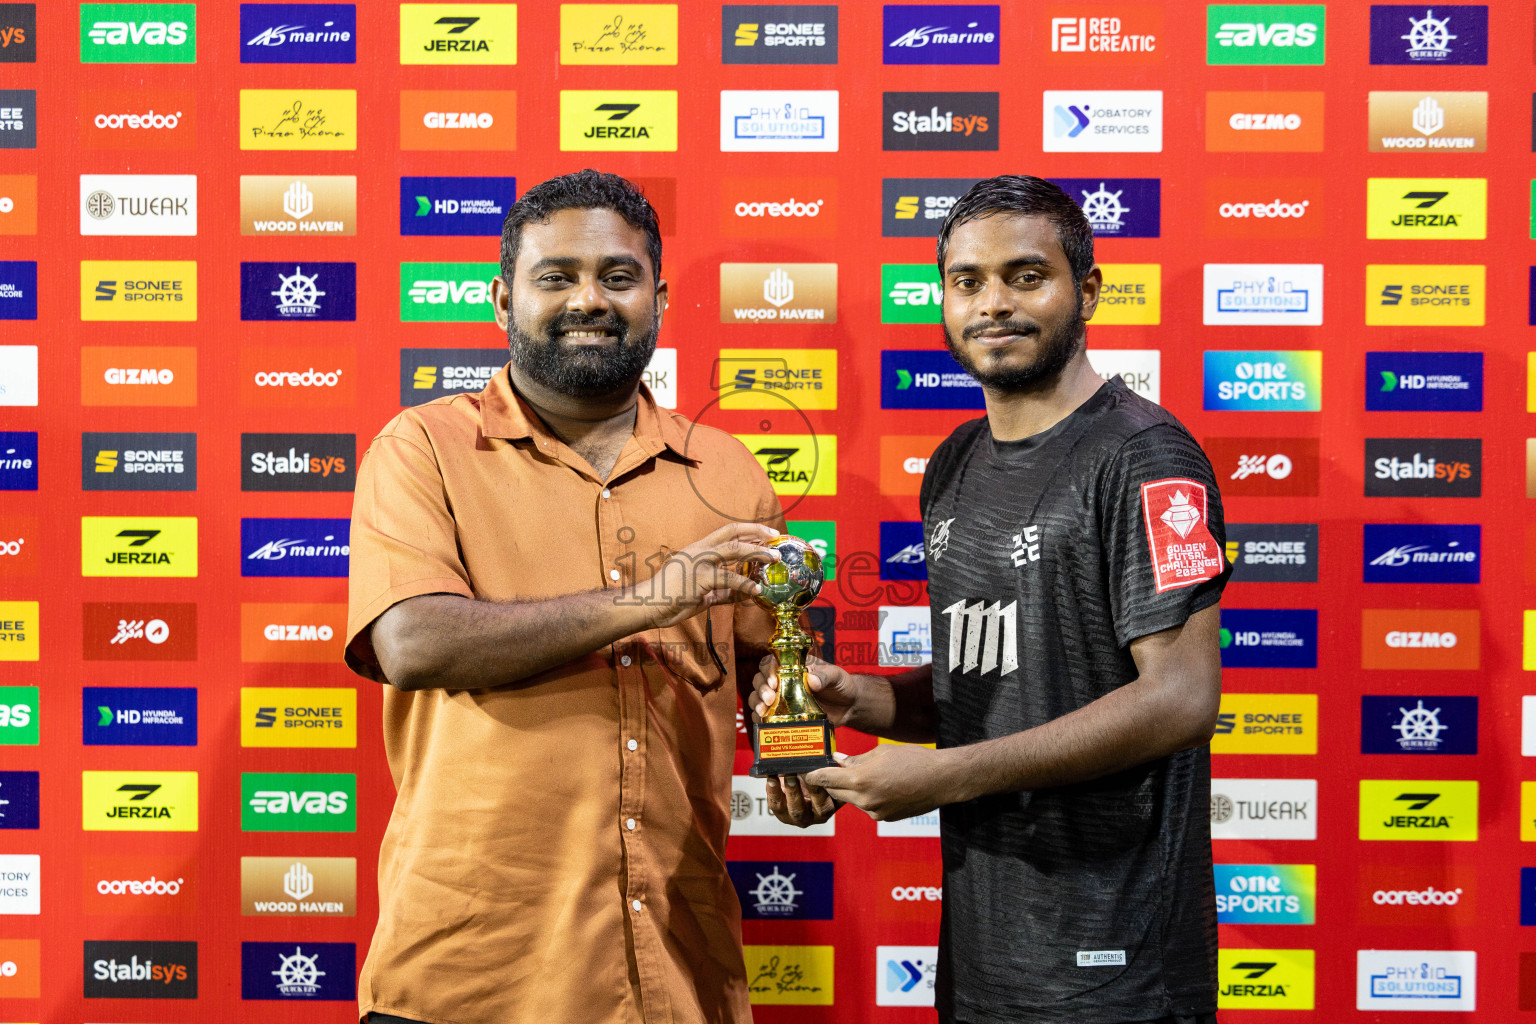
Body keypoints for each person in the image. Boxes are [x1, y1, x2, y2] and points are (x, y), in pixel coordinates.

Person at [754, 175, 1230, 1024]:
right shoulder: (956, 462)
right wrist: (858, 697)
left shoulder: (1147, 457)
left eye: (1024, 276)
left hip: (1115, 964)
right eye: (966, 282)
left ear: (1085, 291)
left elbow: (1181, 698)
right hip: (985, 951)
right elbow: (1002, 678)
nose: (992, 304)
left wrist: (944, 778)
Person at [345, 169, 785, 1024]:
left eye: (618, 277)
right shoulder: (423, 448)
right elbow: (413, 643)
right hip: (469, 976)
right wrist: (654, 599)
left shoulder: (729, 470)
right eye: (558, 277)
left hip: (674, 967)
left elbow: (774, 667)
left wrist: (796, 742)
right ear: (503, 301)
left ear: (658, 297)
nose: (590, 299)